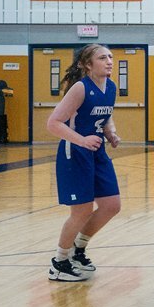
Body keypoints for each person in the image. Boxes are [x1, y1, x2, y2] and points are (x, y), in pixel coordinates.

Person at [45, 46, 120, 282]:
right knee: (82, 211)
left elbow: (104, 115)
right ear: (87, 65)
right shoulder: (80, 88)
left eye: (110, 57)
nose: (109, 61)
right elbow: (53, 123)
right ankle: (59, 262)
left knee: (111, 205)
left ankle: (78, 248)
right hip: (75, 151)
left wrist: (111, 132)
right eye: (102, 58)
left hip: (96, 151)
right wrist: (82, 140)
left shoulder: (111, 87)